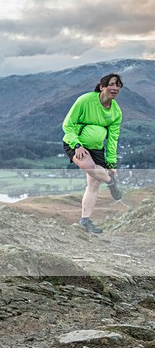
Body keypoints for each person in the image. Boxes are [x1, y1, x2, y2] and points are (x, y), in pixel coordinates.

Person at [62, 73, 124, 233]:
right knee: (88, 166)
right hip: (75, 143)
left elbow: (112, 139)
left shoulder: (116, 112)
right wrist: (76, 145)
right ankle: (111, 182)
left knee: (93, 184)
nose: (115, 88)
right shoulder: (85, 100)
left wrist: (111, 164)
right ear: (102, 87)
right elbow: (68, 125)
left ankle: (85, 221)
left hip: (97, 148)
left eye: (118, 85)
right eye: (112, 84)